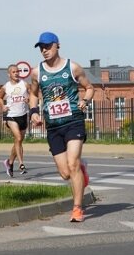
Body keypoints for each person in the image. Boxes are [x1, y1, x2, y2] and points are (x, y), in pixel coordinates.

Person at [29, 31, 94, 222]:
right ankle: (82, 169)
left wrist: (85, 101)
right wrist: (33, 112)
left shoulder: (72, 67)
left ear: (58, 45)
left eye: (48, 46)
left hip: (74, 121)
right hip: (53, 127)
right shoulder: (37, 72)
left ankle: (77, 209)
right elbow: (33, 94)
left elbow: (89, 88)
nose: (44, 50)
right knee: (65, 173)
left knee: (72, 163)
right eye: (41, 47)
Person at [0, 64, 31, 177]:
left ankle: (9, 162)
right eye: (13, 72)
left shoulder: (25, 84)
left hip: (23, 115)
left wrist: (29, 98)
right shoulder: (6, 87)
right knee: (18, 137)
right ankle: (21, 164)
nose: (16, 73)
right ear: (9, 74)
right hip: (11, 116)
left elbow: (34, 95)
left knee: (18, 141)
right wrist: (3, 106)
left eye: (17, 71)